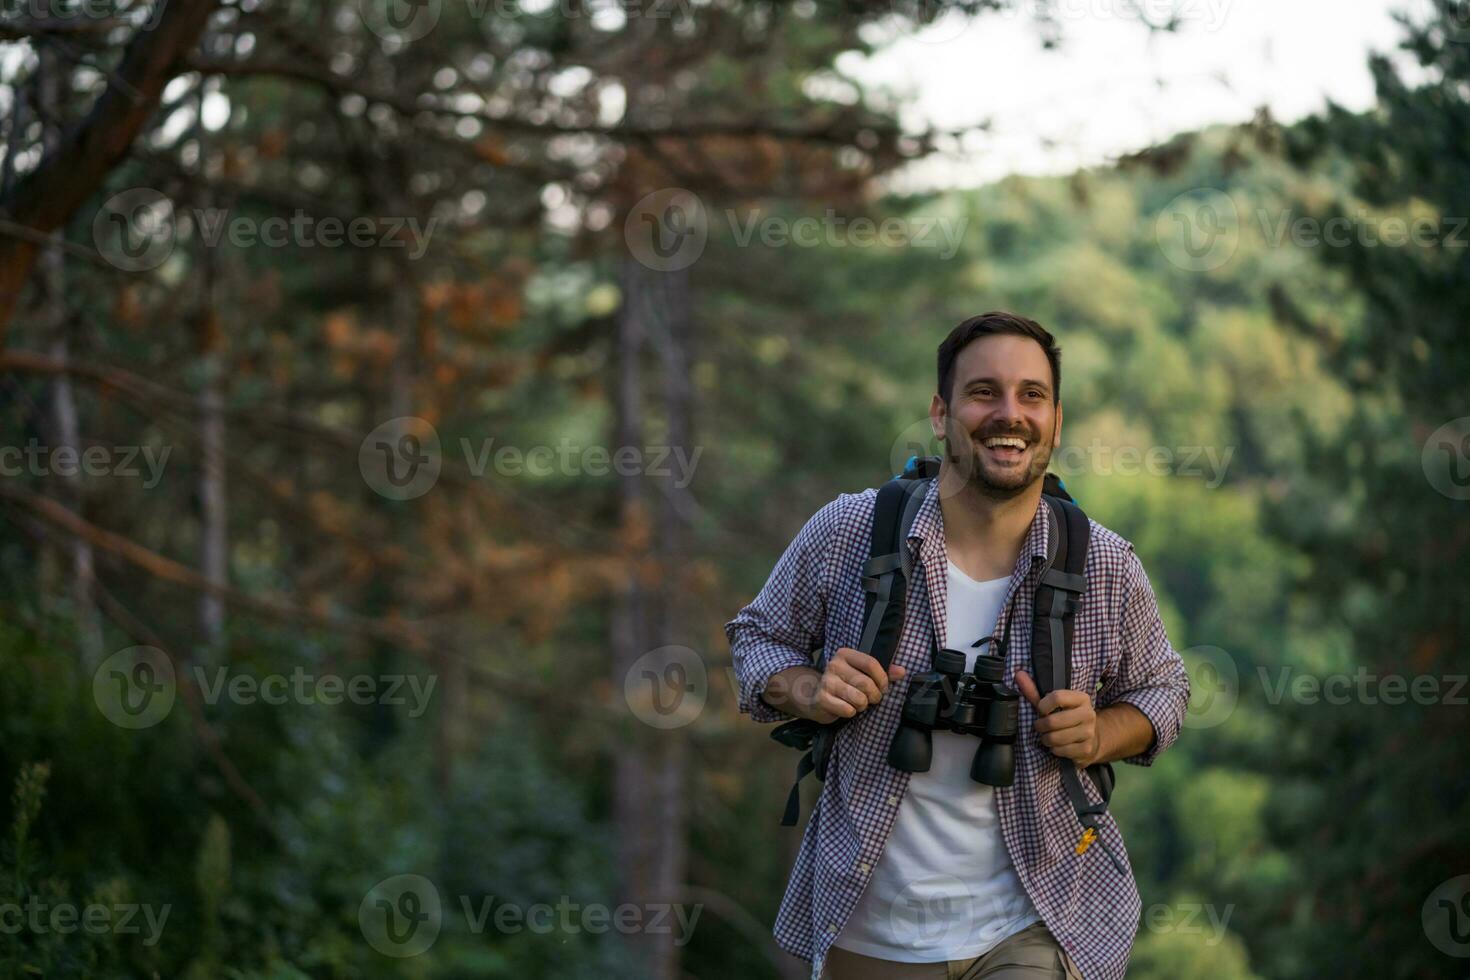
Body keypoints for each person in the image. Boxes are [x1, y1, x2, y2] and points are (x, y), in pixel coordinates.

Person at [725, 311, 1191, 980]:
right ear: (941, 414)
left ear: (1056, 420)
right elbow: (756, 637)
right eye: (984, 392)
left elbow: (1164, 689)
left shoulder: (1105, 567)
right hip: (870, 926)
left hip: (1037, 918)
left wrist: (1100, 734)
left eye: (1032, 395)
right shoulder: (852, 531)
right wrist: (808, 689)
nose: (1010, 413)